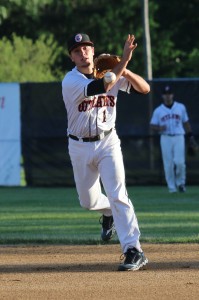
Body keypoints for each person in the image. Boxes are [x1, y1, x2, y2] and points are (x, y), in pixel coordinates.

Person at [62, 32, 150, 271]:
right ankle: (109, 212)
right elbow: (102, 85)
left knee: (119, 194)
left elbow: (145, 88)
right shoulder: (71, 81)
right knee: (88, 202)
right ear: (71, 57)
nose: (83, 53)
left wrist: (126, 70)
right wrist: (124, 61)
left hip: (108, 142)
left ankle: (133, 249)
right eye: (77, 50)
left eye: (86, 48)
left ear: (93, 50)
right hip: (79, 145)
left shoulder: (112, 72)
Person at [150, 85, 194, 193]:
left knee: (180, 162)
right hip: (165, 138)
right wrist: (159, 128)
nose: (167, 96)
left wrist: (190, 136)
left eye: (169, 94)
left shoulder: (180, 107)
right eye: (165, 94)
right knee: (168, 164)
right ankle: (172, 187)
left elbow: (186, 122)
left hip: (179, 136)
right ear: (163, 96)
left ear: (172, 95)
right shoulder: (158, 110)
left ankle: (181, 183)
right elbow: (152, 125)